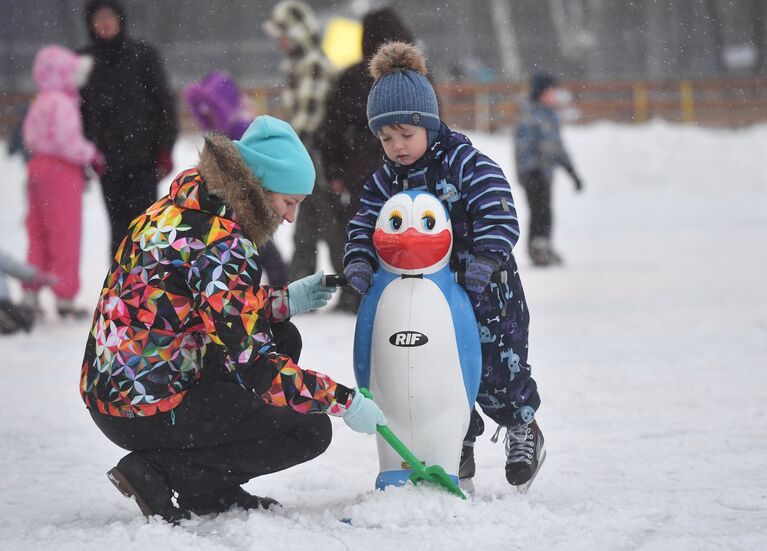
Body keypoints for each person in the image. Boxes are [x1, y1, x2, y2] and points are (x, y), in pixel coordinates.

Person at [80, 115, 387, 522]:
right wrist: (343, 401)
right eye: (288, 202)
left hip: (114, 395)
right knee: (309, 430)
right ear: (258, 190)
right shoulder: (225, 244)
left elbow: (206, 306)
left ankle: (209, 488)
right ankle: (164, 474)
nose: (292, 218)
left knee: (282, 336)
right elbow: (255, 368)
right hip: (147, 407)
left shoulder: (179, 209)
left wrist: (285, 301)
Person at [342, 43, 544, 492]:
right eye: (386, 138)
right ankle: (458, 440)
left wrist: (487, 259)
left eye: (405, 135)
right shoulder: (383, 181)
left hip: (486, 291)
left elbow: (500, 210)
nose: (396, 147)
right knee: (440, 372)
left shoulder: (465, 163)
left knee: (495, 366)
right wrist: (358, 260)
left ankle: (522, 427)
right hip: (426, 297)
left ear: (428, 124)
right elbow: (364, 223)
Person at [317, 7, 415, 312]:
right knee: (405, 232)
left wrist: (335, 169)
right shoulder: (415, 79)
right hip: (406, 171)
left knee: (360, 233)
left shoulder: (353, 77)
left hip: (360, 171)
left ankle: (357, 291)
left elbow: (330, 129)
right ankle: (405, 289)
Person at [263, 1, 354, 311]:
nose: (280, 41)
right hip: (306, 153)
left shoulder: (313, 63)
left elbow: (307, 120)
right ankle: (299, 288)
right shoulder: (300, 63)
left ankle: (351, 287)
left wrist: (281, 150)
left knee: (328, 224)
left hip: (314, 154)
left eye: (283, 34)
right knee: (307, 225)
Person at [80, 0, 178, 256]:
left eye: (109, 16)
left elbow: (164, 105)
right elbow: (76, 113)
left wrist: (165, 148)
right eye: (98, 17)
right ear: (91, 24)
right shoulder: (83, 62)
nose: (105, 23)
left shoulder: (143, 55)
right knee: (118, 229)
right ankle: (119, 289)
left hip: (143, 159)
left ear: (120, 19)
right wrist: (83, 152)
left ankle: (150, 288)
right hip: (107, 162)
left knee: (147, 226)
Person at [21, 44, 105, 319]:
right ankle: (64, 296)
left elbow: (30, 137)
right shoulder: (62, 104)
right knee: (64, 232)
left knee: (38, 230)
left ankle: (31, 290)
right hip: (61, 172)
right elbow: (68, 142)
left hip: (37, 167)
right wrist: (92, 154)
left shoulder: (41, 100)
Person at [183, 71, 288, 285]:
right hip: (231, 196)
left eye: (213, 108)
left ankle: (278, 281)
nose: (209, 114)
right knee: (251, 244)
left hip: (248, 195)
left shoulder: (242, 126)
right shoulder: (221, 128)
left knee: (261, 244)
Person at [514, 71, 584, 266]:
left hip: (546, 173)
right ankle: (537, 249)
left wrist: (572, 172)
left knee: (546, 211)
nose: (555, 95)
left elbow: (557, 148)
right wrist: (529, 170)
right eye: (551, 91)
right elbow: (522, 147)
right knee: (538, 210)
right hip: (533, 174)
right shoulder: (530, 114)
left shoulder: (550, 116)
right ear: (542, 92)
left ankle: (544, 246)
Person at [0, 249, 56, 334]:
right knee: (22, 321)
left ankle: (12, 318)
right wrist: (36, 275)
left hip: (3, 301)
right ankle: (14, 317)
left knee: (22, 321)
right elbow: (14, 267)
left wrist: (35, 275)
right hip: (3, 302)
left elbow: (14, 267)